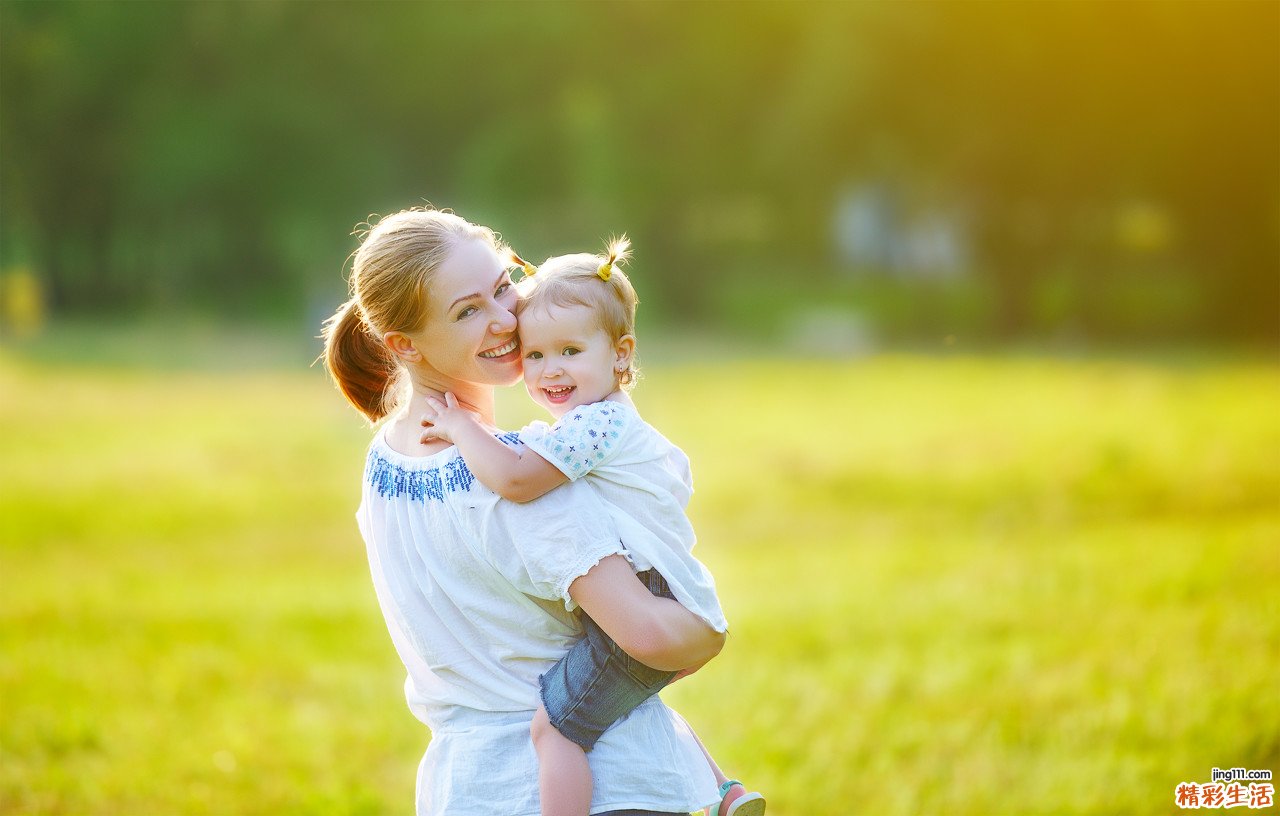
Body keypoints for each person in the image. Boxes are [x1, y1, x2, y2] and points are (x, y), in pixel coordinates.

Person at [322, 207, 726, 816]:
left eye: (503, 287)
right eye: (468, 311)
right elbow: (648, 633)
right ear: (403, 345)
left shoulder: (382, 467)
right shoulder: (525, 479)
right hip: (599, 787)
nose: (506, 317)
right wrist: (707, 631)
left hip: (465, 789)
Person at [418, 238, 765, 816]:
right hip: (658, 593)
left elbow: (516, 480)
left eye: (571, 350)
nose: (551, 370)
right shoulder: (602, 424)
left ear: (621, 353)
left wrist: (461, 427)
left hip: (646, 598)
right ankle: (723, 792)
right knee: (616, 698)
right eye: (534, 355)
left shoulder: (593, 428)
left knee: (556, 729)